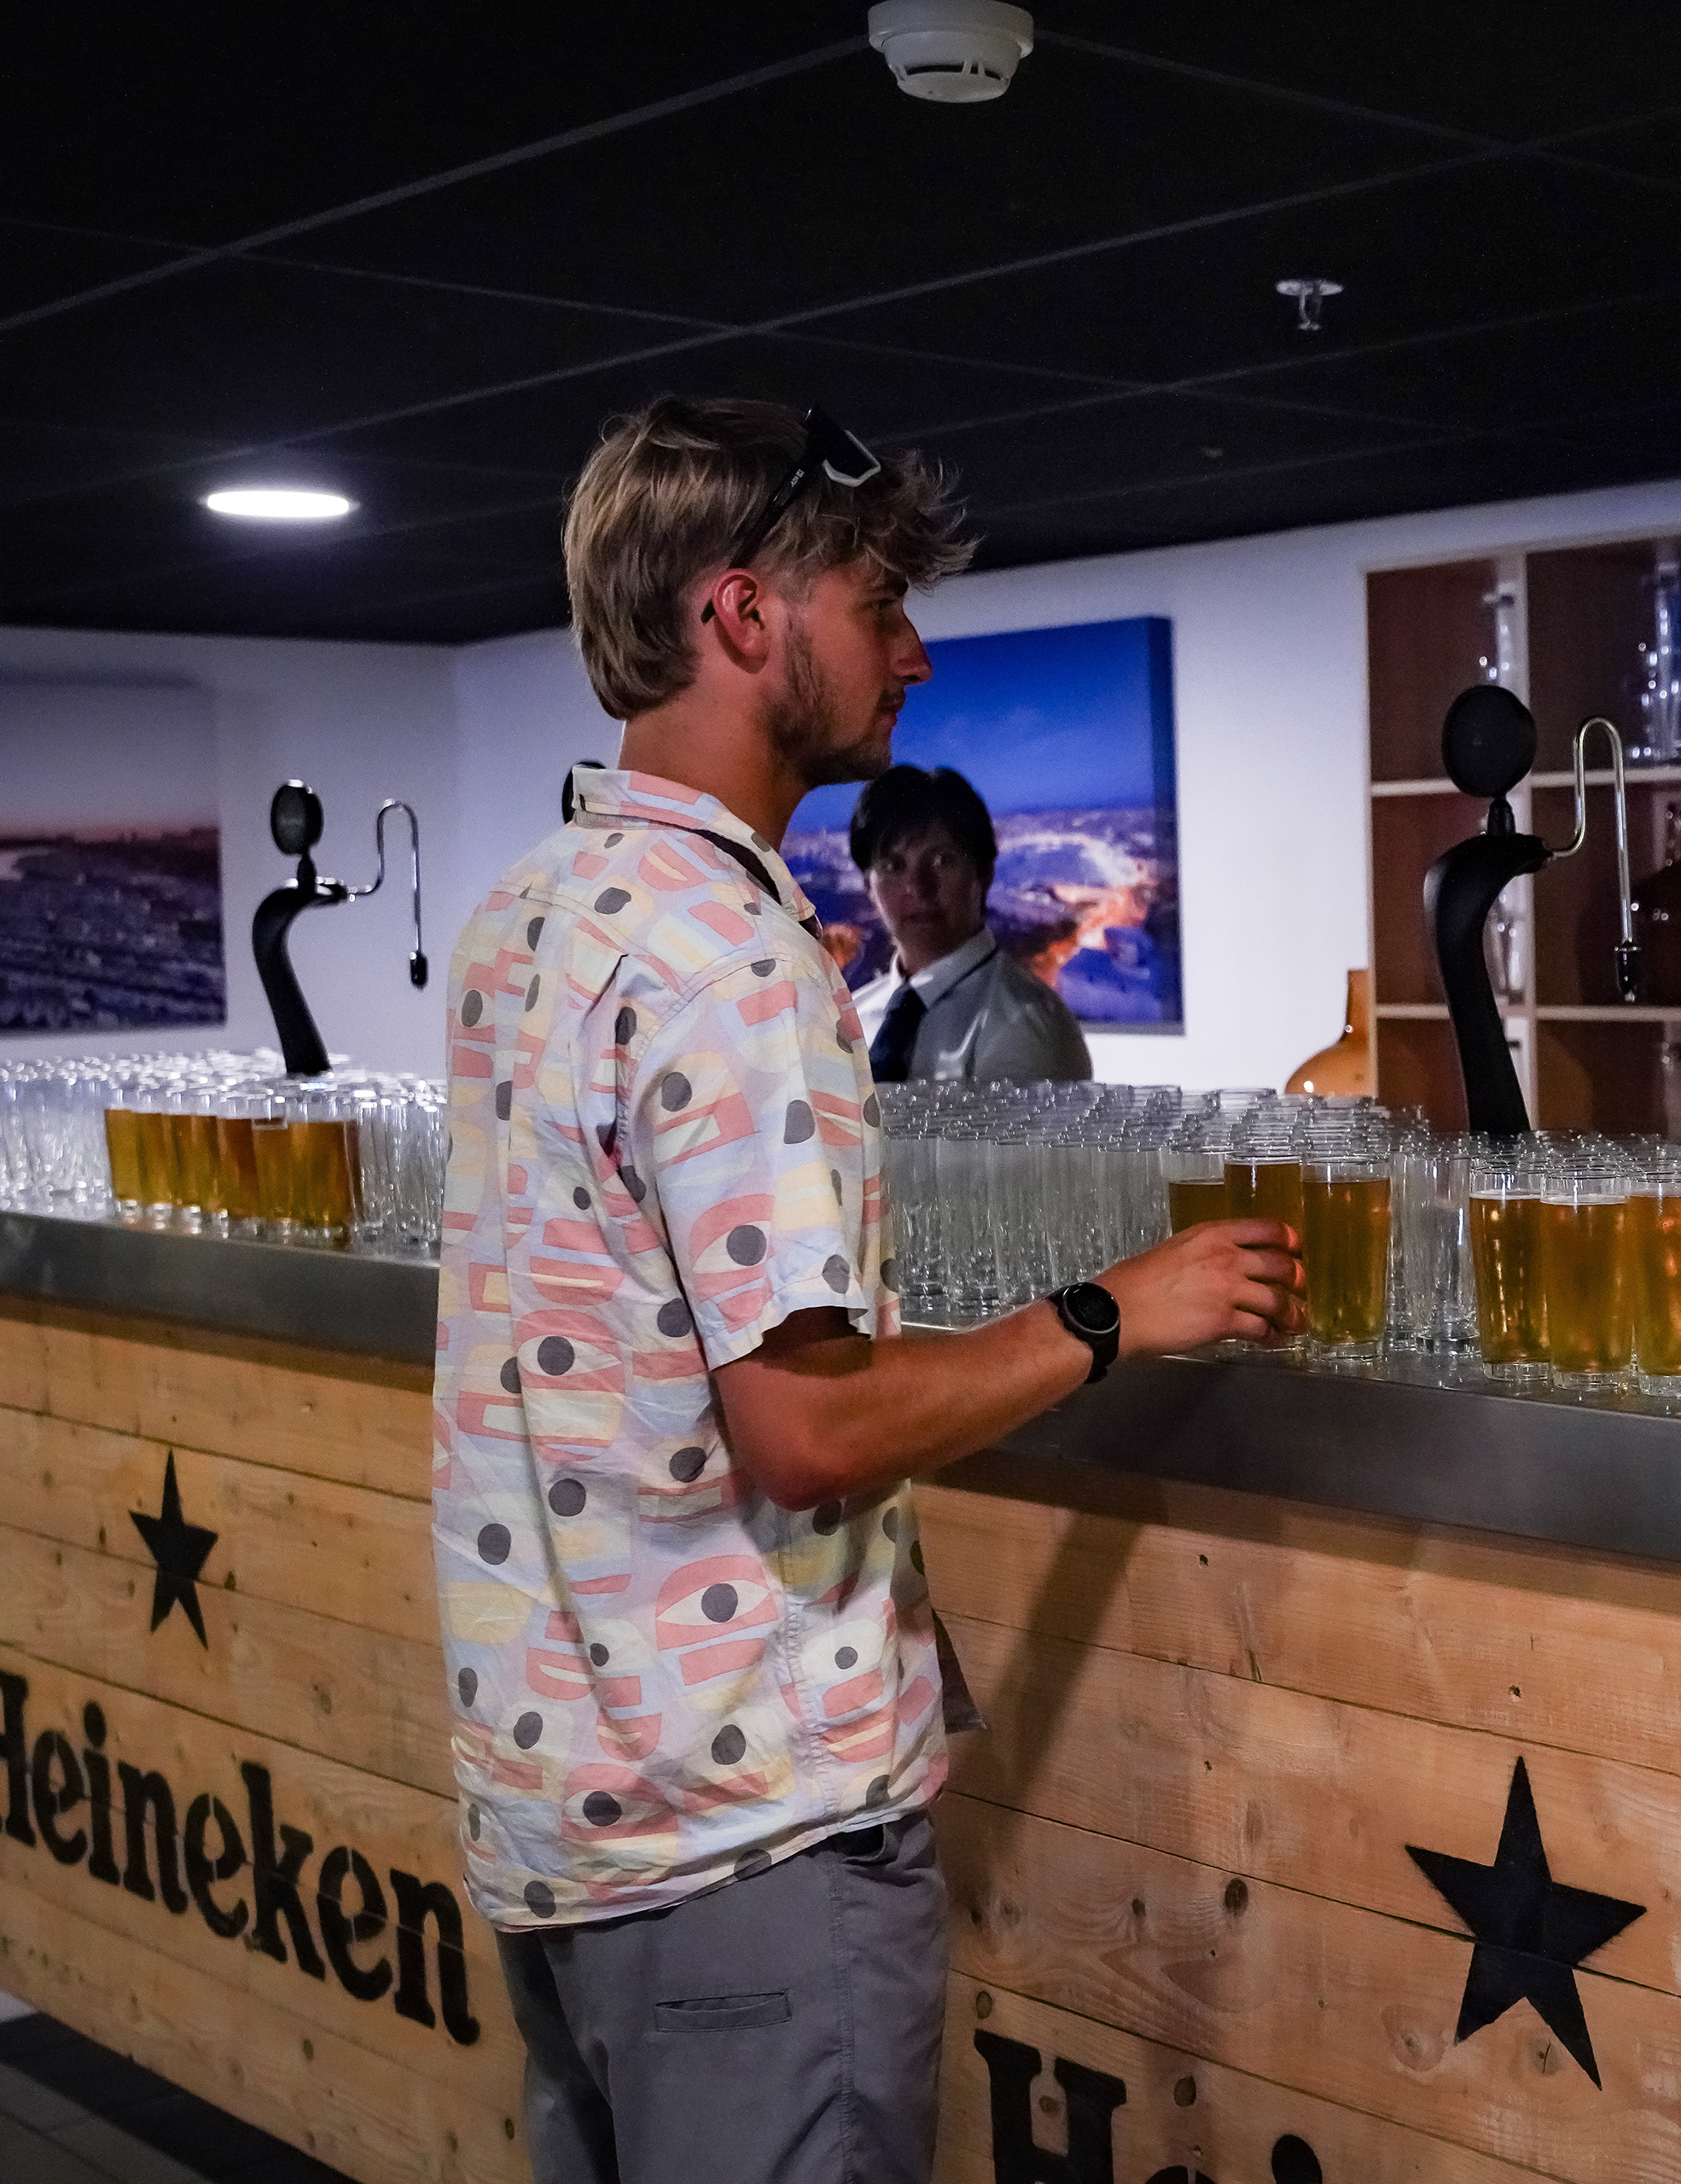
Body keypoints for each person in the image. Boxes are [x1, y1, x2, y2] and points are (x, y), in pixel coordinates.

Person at [430, 395, 1303, 2184]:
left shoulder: (536, 910)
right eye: (877, 599)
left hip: (569, 1821)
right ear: (745, 618)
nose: (911, 650)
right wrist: (1111, 1309)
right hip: (750, 1830)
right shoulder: (736, 955)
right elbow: (808, 1424)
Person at [846, 763, 1092, 1083]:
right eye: (894, 866)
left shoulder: (1024, 1025)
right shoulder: (850, 1022)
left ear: (984, 872)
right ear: (869, 886)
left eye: (941, 861)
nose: (918, 887)